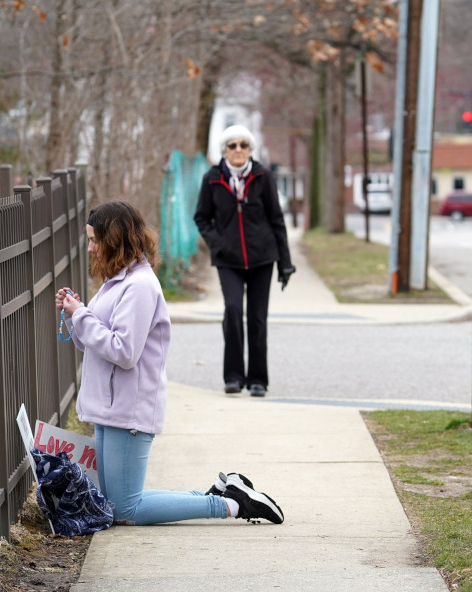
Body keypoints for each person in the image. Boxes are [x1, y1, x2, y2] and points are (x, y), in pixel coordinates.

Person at [55, 200, 283, 525]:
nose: (90, 248)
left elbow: (124, 351)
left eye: (94, 240)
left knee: (125, 509)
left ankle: (231, 505)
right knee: (117, 504)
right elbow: (93, 343)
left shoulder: (140, 287)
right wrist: (73, 316)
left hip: (128, 410)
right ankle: (222, 494)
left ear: (114, 240)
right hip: (109, 406)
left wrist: (82, 315)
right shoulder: (117, 281)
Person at [194, 124, 296, 397]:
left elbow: (277, 220)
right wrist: (219, 242)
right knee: (233, 311)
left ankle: (258, 379)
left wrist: (285, 262)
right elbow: (201, 217)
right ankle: (233, 376)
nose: (238, 150)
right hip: (228, 260)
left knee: (258, 318)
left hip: (262, 258)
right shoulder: (212, 179)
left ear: (250, 149)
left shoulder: (263, 176)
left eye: (243, 145)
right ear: (224, 151)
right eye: (232, 145)